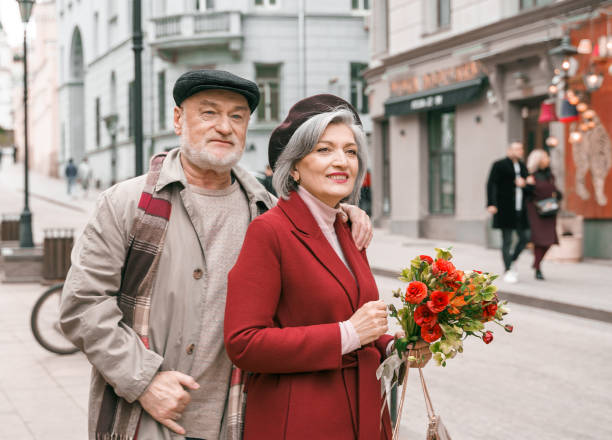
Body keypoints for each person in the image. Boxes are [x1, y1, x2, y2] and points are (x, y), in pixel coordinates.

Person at [59, 71, 372, 440]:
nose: (225, 127)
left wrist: (341, 214)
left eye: (237, 116)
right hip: (146, 418)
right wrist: (144, 381)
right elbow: (83, 305)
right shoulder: (127, 204)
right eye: (208, 113)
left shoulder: (267, 210)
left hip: (236, 419)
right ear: (178, 119)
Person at [224, 95, 405, 440]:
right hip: (302, 420)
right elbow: (243, 344)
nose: (342, 162)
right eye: (324, 150)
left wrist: (394, 347)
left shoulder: (349, 228)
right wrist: (347, 334)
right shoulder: (270, 232)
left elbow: (357, 328)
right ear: (294, 166)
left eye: (350, 152)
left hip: (365, 415)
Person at [486, 141, 529, 283]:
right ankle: (508, 269)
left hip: (521, 209)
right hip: (505, 208)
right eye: (516, 149)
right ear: (509, 150)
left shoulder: (522, 166)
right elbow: (491, 184)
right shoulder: (500, 165)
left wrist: (526, 184)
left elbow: (528, 187)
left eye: (521, 149)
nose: (519, 151)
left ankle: (512, 260)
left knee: (525, 237)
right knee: (507, 240)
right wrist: (491, 203)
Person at [525, 149, 562, 280]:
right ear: (538, 160)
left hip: (550, 210)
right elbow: (527, 195)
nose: (548, 160)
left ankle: (536, 263)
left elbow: (556, 190)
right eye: (546, 157)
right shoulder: (531, 176)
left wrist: (558, 195)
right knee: (539, 241)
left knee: (550, 240)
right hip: (535, 211)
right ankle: (538, 268)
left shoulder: (549, 175)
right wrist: (528, 185)